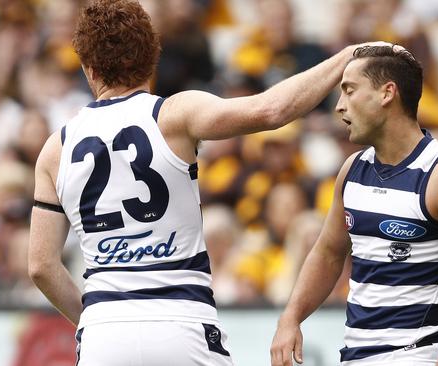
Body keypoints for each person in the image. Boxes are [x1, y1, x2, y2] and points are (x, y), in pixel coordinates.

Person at [27, 1, 380, 365]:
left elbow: (41, 265)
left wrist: (91, 320)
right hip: (181, 321)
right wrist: (347, 57)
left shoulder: (55, 149)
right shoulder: (175, 114)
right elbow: (272, 110)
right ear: (152, 59)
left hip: (104, 329)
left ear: (87, 68)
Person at [271, 45, 438, 366]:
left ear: (387, 93)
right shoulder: (352, 169)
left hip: (417, 354)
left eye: (349, 91)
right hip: (353, 355)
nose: (339, 107)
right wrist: (290, 318)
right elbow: (328, 253)